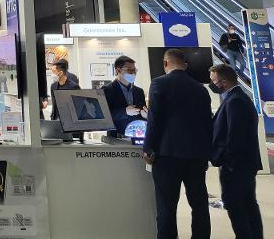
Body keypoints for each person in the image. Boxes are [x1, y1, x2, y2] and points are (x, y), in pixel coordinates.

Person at [143, 49, 213, 239]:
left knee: (166, 205)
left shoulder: (159, 83)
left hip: (167, 154)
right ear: (185, 64)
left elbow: (154, 118)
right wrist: (207, 152)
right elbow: (208, 123)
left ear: (165, 63)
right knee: (199, 204)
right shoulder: (201, 89)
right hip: (196, 155)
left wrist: (148, 147)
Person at [209, 64, 263, 239]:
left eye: (213, 81)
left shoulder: (235, 101)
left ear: (223, 82)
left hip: (237, 166)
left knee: (236, 205)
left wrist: (226, 159)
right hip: (243, 164)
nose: (212, 84)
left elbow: (235, 136)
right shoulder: (236, 98)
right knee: (248, 205)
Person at [102, 55, 147, 137]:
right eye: (129, 70)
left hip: (137, 135)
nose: (133, 73)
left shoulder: (139, 91)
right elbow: (105, 116)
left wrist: (145, 115)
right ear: (117, 71)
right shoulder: (107, 90)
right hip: (116, 137)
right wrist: (124, 112)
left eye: (134, 70)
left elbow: (142, 115)